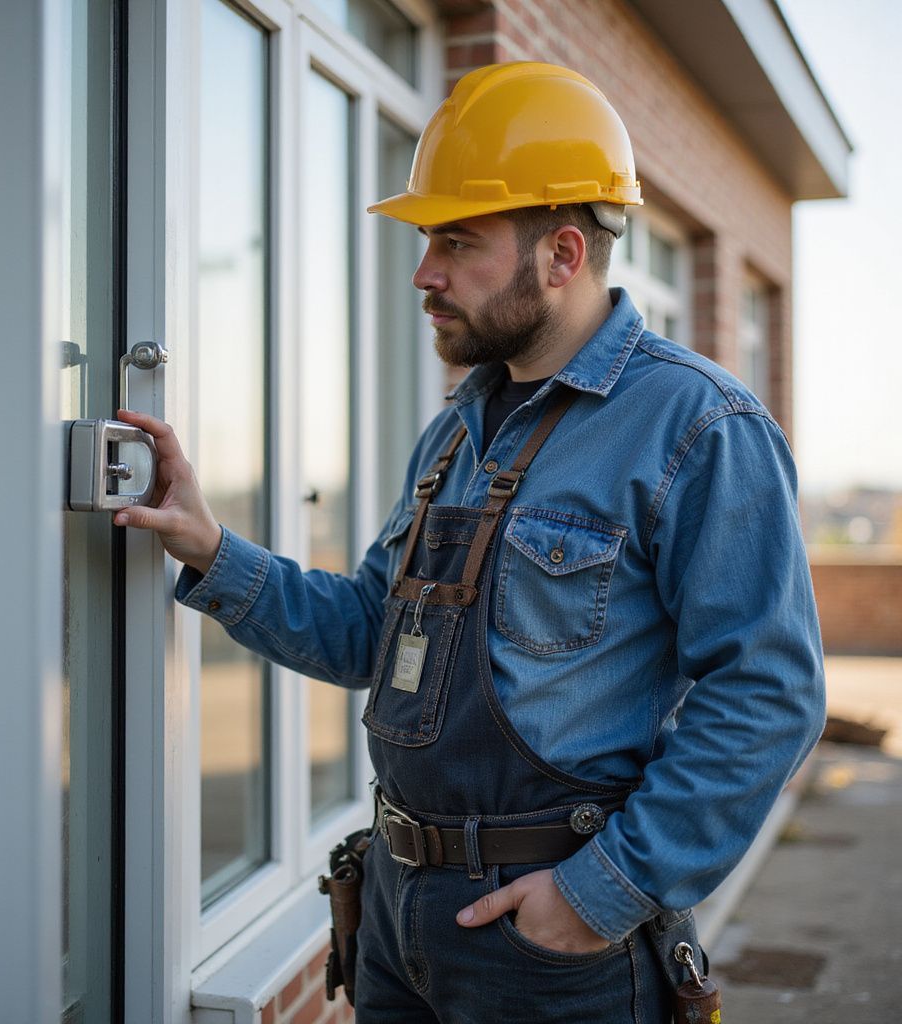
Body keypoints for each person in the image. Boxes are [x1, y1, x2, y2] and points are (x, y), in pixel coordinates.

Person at [113, 62, 825, 1023]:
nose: (424, 273)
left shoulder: (699, 427)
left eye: (457, 241)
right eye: (425, 239)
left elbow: (768, 693)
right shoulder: (459, 430)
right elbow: (374, 633)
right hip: (398, 924)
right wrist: (208, 547)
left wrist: (600, 895)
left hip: (550, 946)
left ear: (562, 254)